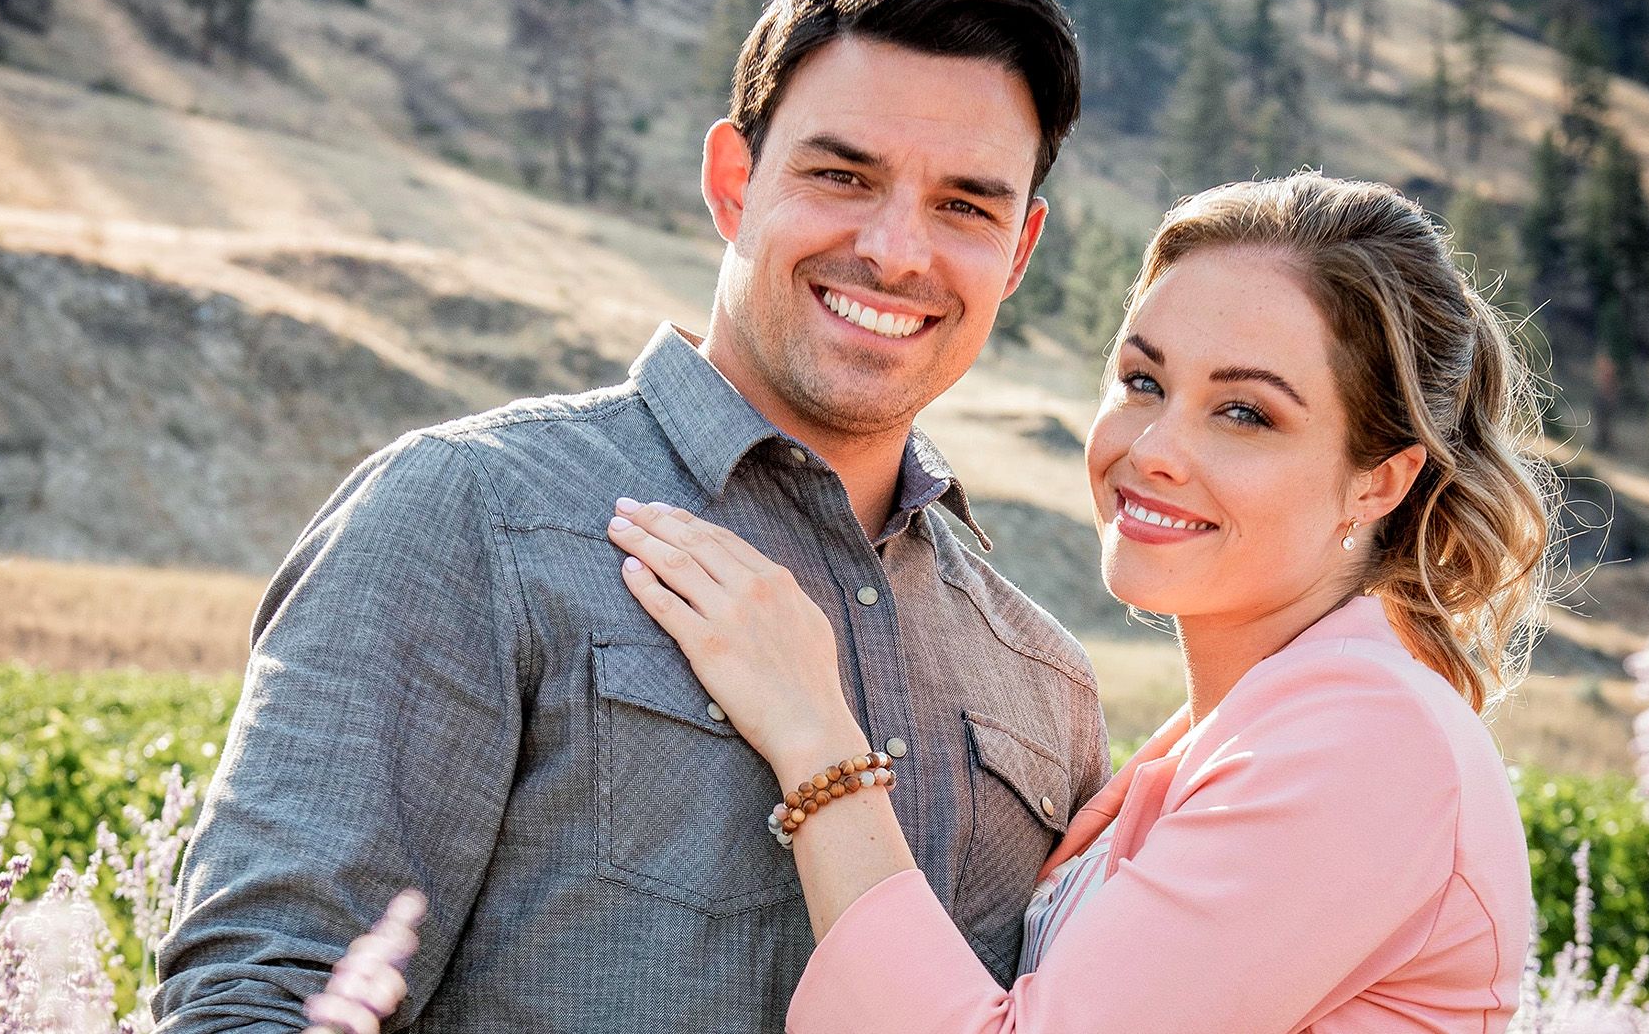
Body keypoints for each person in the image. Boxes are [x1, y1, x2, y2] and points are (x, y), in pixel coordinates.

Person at [153, 0, 1109, 1031]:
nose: (894, 251)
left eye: (965, 206)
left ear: (1020, 249)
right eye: (841, 176)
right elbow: (261, 1000)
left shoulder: (1045, 684)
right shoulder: (470, 516)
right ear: (733, 181)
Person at [607, 172, 1556, 1032]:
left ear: (1378, 482)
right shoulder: (1231, 731)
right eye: (1143, 381)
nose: (1153, 450)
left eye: (1245, 412)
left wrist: (814, 733)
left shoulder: (1367, 741)